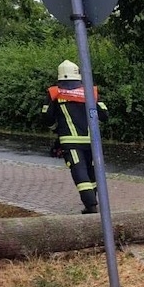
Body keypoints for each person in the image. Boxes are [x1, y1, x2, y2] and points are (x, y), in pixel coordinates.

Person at [41, 59, 109, 214]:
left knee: (79, 171)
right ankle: (92, 204)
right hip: (92, 141)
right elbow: (104, 114)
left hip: (70, 141)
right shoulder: (89, 92)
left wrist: (56, 129)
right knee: (91, 171)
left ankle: (91, 206)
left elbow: (46, 117)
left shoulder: (55, 93)